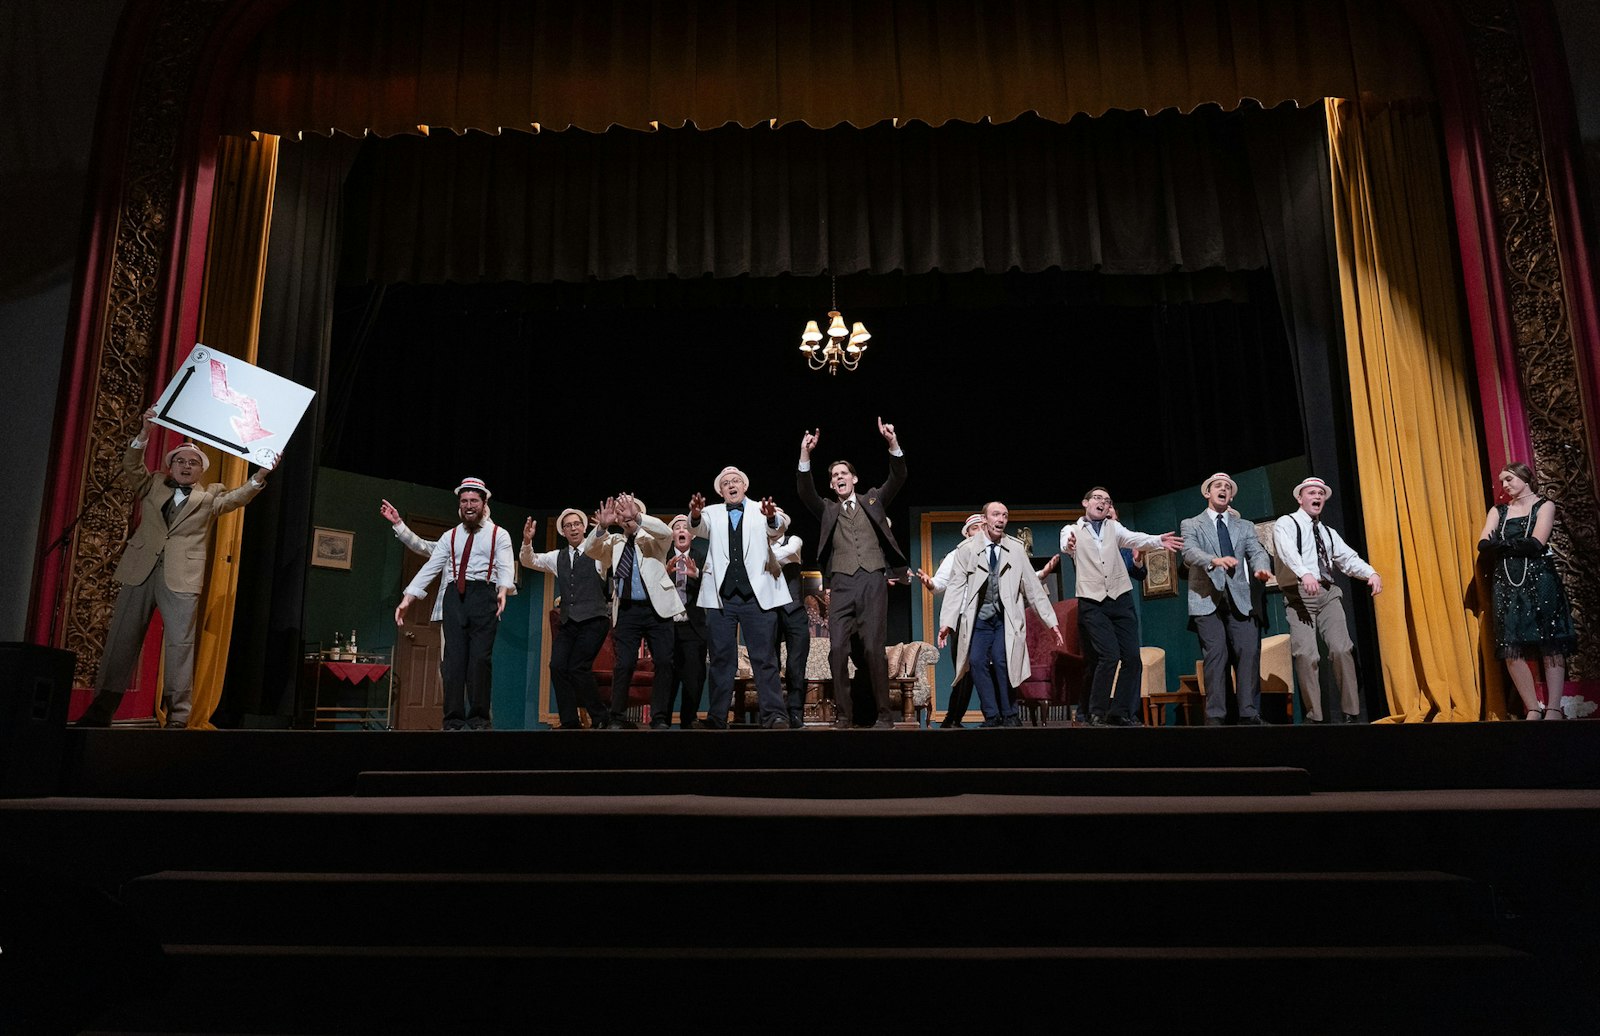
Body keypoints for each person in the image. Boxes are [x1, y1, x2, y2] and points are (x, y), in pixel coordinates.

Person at [77, 407, 276, 728]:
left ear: (201, 471)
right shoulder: (153, 484)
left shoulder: (210, 497)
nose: (186, 466)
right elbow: (131, 465)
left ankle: (179, 718)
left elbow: (237, 498)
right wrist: (145, 431)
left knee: (180, 646)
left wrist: (259, 477)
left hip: (182, 578)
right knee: (121, 641)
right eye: (180, 461)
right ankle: (99, 713)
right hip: (140, 570)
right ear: (170, 466)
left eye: (193, 462)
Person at [795, 418, 908, 729]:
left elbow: (897, 477)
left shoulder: (873, 499)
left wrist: (892, 444)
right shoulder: (829, 510)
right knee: (837, 649)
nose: (839, 478)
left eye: (843, 473)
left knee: (873, 648)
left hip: (873, 579)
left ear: (854, 479)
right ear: (832, 485)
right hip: (841, 583)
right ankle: (843, 716)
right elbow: (806, 493)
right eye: (834, 476)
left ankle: (884, 716)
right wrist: (805, 455)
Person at [395, 478, 515, 730]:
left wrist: (503, 589)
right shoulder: (449, 536)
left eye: (474, 501)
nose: (469, 505)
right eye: (464, 501)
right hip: (455, 598)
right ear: (459, 505)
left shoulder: (498, 534)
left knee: (480, 661)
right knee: (453, 662)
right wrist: (409, 597)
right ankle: (453, 721)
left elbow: (505, 565)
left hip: (484, 596)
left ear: (484, 504)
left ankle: (480, 720)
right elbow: (431, 567)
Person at [1063, 488, 1183, 726]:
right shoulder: (1072, 529)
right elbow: (1066, 544)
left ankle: (1119, 712)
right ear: (1085, 502)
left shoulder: (1114, 528)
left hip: (1120, 599)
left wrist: (1158, 540)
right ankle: (1096, 711)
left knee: (1132, 658)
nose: (1103, 503)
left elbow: (1135, 538)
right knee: (1108, 656)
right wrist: (1069, 544)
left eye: (1107, 501)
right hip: (1092, 603)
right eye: (1098, 498)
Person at [937, 502, 1062, 727]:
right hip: (979, 620)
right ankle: (992, 715)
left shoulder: (1015, 548)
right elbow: (955, 588)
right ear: (985, 519)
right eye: (996, 514)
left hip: (1005, 619)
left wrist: (1051, 623)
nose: (1001, 519)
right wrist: (947, 623)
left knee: (1004, 661)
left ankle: (1010, 714)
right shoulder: (966, 549)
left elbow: (1032, 588)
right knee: (976, 661)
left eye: (1005, 515)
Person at [1272, 476, 1382, 724]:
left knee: (1342, 649)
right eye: (1312, 492)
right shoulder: (1286, 524)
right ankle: (1315, 716)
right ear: (1300, 498)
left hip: (1328, 594)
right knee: (1307, 655)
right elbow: (1287, 550)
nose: (1317, 497)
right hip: (1299, 595)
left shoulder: (1327, 532)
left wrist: (1371, 573)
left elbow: (1347, 558)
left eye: (1321, 493)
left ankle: (1351, 713)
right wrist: (1305, 573)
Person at [689, 466, 791, 728]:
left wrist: (770, 518)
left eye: (736, 481)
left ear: (744, 487)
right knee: (721, 659)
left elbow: (780, 526)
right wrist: (696, 514)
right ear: (721, 491)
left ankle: (775, 715)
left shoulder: (761, 507)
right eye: (726, 483)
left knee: (764, 658)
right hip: (722, 598)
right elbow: (698, 528)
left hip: (756, 597)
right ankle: (717, 717)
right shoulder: (711, 512)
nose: (731, 485)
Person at [1478, 462, 1577, 720]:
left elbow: (1536, 543)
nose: (1505, 485)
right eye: (1502, 481)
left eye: (1509, 479)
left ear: (1524, 478)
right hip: (1507, 581)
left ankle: (1553, 707)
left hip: (1540, 578)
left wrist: (1502, 544)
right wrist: (1511, 545)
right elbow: (1483, 544)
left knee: (1550, 640)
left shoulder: (1544, 505)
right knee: (1511, 643)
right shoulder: (1499, 510)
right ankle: (1533, 706)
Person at [1180, 473, 1275, 725]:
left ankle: (1248, 712)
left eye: (1227, 488)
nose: (1223, 489)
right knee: (1217, 653)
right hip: (1206, 599)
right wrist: (1213, 560)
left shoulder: (1243, 526)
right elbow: (1189, 553)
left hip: (1240, 599)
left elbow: (1256, 551)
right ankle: (1216, 715)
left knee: (1248, 651)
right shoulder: (1192, 524)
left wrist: (1261, 568)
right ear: (1207, 493)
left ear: (1231, 496)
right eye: (1217, 486)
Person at [583, 494, 681, 729]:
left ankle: (659, 718)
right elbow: (591, 551)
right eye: (621, 513)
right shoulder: (614, 542)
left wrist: (637, 517)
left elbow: (667, 533)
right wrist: (602, 527)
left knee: (665, 662)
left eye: (629, 511)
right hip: (627, 610)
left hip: (657, 609)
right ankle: (616, 717)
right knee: (624, 664)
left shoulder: (653, 538)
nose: (625, 516)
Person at [520, 507, 611, 729]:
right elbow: (529, 560)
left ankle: (601, 718)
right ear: (563, 531)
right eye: (568, 525)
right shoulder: (556, 557)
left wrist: (603, 526)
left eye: (577, 524)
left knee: (579, 667)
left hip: (594, 620)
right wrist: (527, 541)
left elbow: (603, 542)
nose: (573, 528)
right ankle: (570, 721)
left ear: (584, 527)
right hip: (570, 622)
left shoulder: (597, 552)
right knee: (558, 666)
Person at [917, 513, 984, 727]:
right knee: (965, 669)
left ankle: (994, 716)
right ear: (967, 533)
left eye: (984, 527)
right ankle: (952, 718)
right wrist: (929, 583)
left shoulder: (996, 552)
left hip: (990, 618)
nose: (981, 531)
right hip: (965, 618)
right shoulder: (957, 554)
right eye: (976, 528)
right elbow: (940, 583)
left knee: (988, 668)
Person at [663, 514, 710, 729]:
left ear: (691, 534)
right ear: (672, 535)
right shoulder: (662, 557)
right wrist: (665, 574)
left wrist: (697, 574)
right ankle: (661, 720)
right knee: (667, 675)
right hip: (667, 626)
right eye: (677, 528)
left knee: (694, 675)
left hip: (693, 626)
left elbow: (713, 588)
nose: (681, 530)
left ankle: (688, 720)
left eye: (685, 527)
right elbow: (652, 589)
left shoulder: (703, 557)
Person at [771, 515, 811, 729]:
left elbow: (787, 555)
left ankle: (795, 713)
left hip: (794, 609)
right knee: (770, 664)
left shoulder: (794, 541)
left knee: (795, 665)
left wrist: (764, 556)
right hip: (768, 610)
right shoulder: (759, 542)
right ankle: (774, 713)